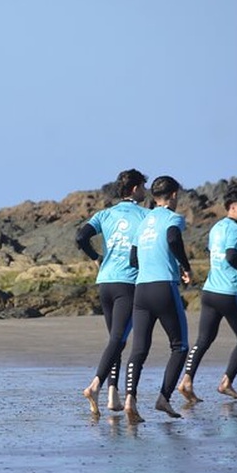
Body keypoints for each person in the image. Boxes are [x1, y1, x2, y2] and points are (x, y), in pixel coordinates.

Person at [177, 178, 237, 403]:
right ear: (233, 206)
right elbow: (230, 256)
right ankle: (226, 383)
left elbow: (218, 255)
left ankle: (186, 381)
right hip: (229, 293)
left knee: (203, 339)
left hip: (210, 292)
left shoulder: (217, 227)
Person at [76, 169, 149, 416]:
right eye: (143, 187)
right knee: (118, 339)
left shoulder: (104, 214)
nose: (145, 192)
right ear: (135, 189)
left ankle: (112, 395)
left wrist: (96, 257)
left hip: (105, 282)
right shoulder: (145, 216)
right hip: (128, 283)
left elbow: (81, 237)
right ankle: (95, 385)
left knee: (115, 340)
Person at [123, 176, 192, 424]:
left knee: (139, 349)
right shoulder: (173, 218)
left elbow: (133, 259)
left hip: (141, 289)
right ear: (173, 195)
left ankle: (129, 399)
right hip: (164, 288)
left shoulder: (144, 222)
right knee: (179, 346)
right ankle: (163, 398)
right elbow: (173, 239)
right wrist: (185, 266)